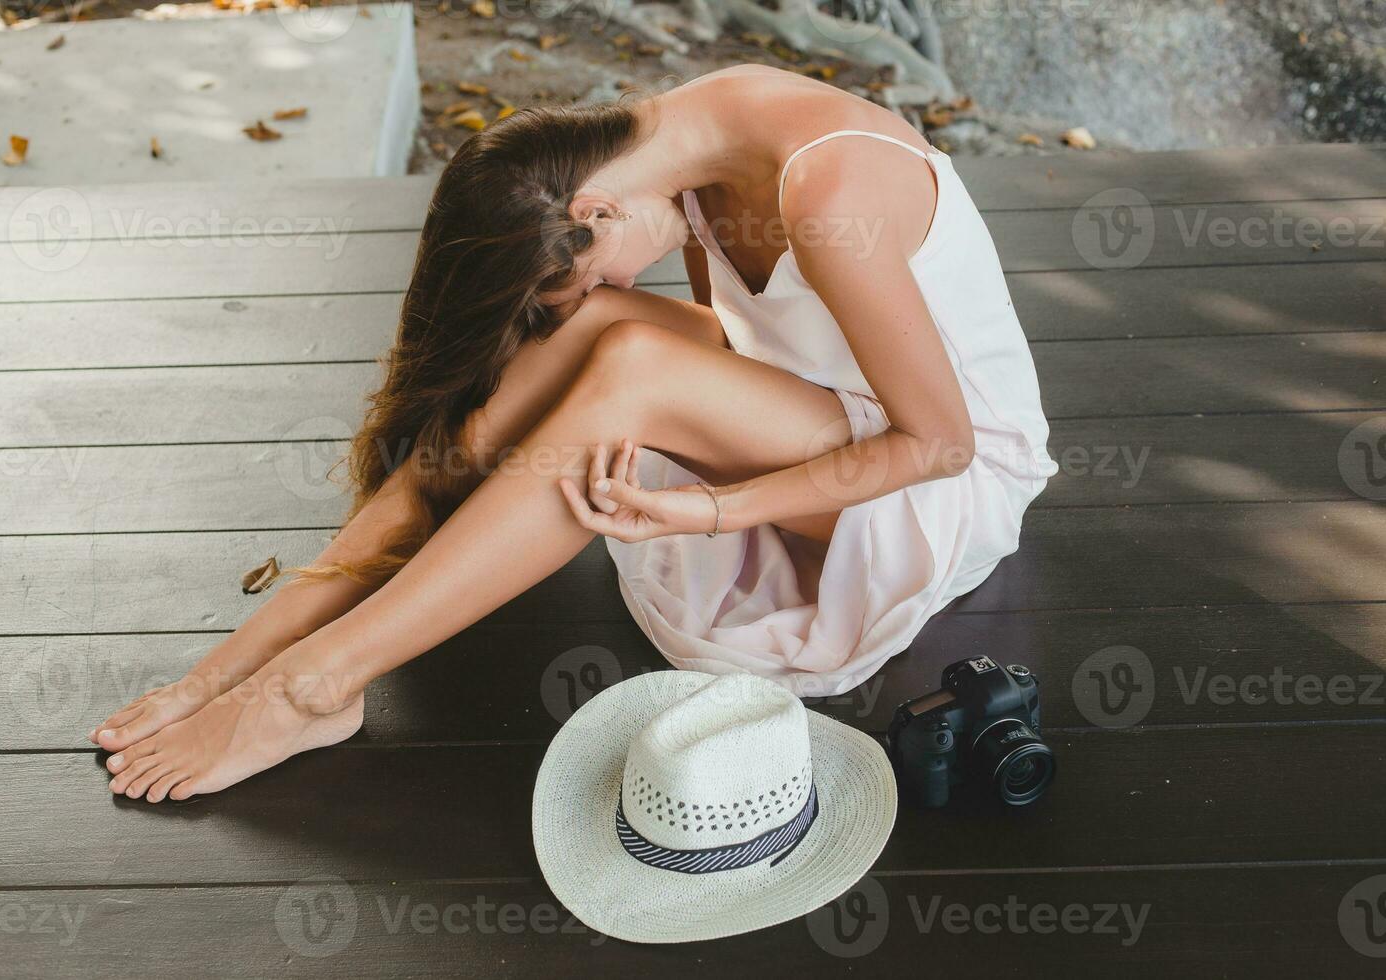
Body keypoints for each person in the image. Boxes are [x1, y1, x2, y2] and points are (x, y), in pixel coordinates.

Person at [88, 64, 1055, 803]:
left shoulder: (828, 191)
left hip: (929, 479)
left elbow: (942, 446)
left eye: (591, 268)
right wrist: (589, 336)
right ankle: (257, 651)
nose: (620, 283)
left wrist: (710, 510)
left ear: (592, 209)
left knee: (628, 354)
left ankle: (315, 685)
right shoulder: (690, 151)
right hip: (824, 413)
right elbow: (762, 350)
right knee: (602, 341)